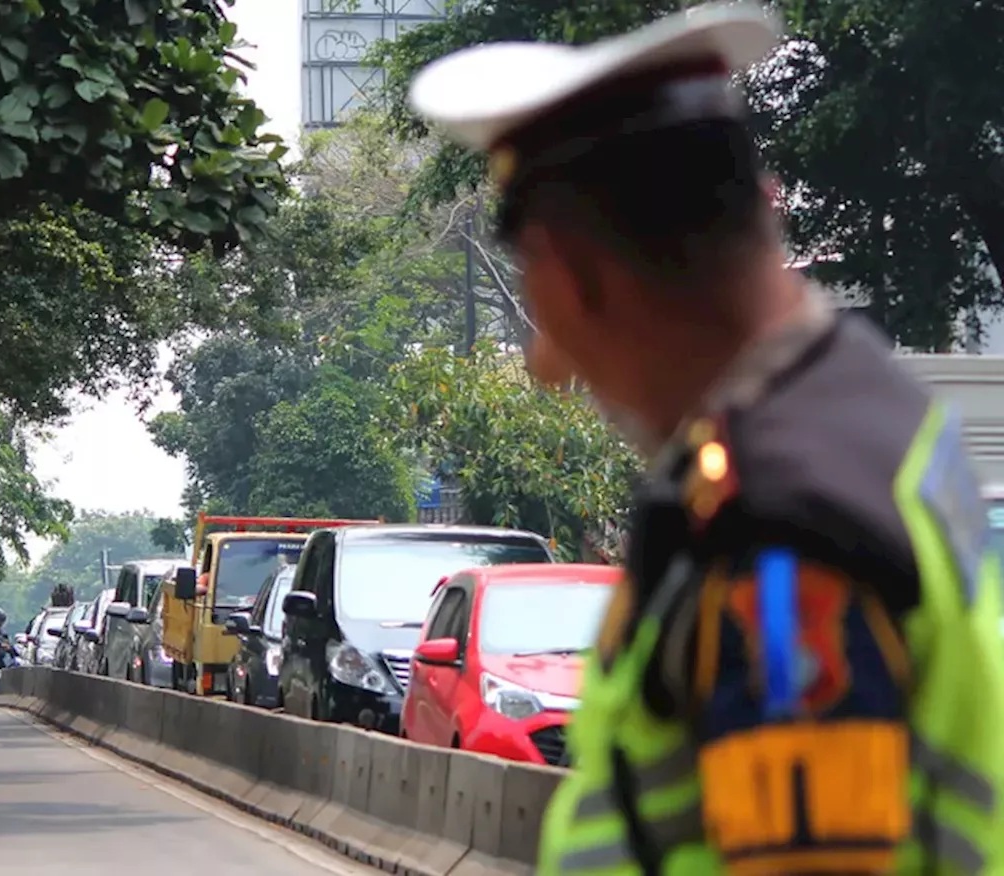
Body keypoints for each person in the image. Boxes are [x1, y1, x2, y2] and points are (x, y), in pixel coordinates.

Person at [408, 4, 1004, 874]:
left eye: (544, 314)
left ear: (581, 277)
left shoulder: (779, 537)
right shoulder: (866, 410)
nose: (547, 368)